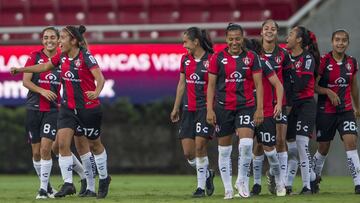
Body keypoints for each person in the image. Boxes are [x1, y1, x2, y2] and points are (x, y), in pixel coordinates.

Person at [11, 25, 110, 199]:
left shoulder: (86, 56)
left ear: (73, 41)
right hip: (67, 108)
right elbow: (43, 67)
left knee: (92, 146)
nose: (59, 41)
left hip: (87, 108)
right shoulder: (60, 56)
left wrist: (96, 92)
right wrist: (21, 69)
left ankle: (102, 179)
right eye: (59, 37)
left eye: (62, 38)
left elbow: (100, 79)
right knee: (61, 145)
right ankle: (68, 183)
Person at [22, 26, 91, 199]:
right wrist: (42, 91)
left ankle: (43, 190)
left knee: (49, 148)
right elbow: (26, 81)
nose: (49, 40)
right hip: (33, 108)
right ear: (42, 40)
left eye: (53, 37)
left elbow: (82, 59)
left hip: (55, 109)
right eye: (46, 37)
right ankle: (76, 177)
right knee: (39, 152)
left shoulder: (64, 57)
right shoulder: (35, 56)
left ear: (59, 39)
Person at [206, 23, 264, 199]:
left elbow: (259, 84)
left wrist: (259, 108)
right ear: (226, 39)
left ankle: (241, 181)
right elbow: (211, 86)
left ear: (242, 38)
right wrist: (209, 109)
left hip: (246, 106)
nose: (234, 42)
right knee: (224, 151)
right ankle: (228, 189)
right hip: (223, 108)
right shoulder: (217, 58)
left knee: (246, 145)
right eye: (231, 39)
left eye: (237, 38)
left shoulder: (252, 57)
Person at [245, 20, 293, 196]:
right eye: (266, 28)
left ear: (277, 32)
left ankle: (281, 180)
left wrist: (284, 101)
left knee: (280, 141)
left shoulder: (283, 54)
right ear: (261, 32)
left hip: (278, 103)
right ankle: (257, 183)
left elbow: (287, 79)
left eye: (273, 28)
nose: (270, 31)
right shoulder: (255, 55)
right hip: (258, 104)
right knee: (259, 143)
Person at [313, 29, 360, 194]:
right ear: (332, 42)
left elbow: (353, 85)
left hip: (346, 110)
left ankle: (358, 184)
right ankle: (314, 178)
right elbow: (313, 86)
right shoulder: (324, 61)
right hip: (325, 111)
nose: (340, 43)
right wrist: (328, 91)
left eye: (344, 40)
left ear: (348, 43)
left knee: (351, 142)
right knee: (324, 147)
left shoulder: (352, 62)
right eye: (337, 40)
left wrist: (357, 107)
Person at [170, 27, 215, 198]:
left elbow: (215, 86)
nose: (183, 46)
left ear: (196, 42)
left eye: (185, 42)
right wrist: (176, 107)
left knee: (199, 146)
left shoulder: (211, 60)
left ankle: (200, 188)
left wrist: (212, 109)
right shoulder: (185, 60)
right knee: (188, 153)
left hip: (205, 109)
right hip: (188, 109)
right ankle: (208, 174)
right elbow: (182, 84)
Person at [238, 38, 286, 197]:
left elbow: (278, 85)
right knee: (245, 149)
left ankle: (279, 181)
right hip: (246, 111)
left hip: (265, 112)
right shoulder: (239, 65)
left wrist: (278, 104)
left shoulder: (263, 63)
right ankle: (243, 185)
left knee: (270, 151)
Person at [285, 25, 320, 194]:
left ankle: (306, 186)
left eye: (291, 34)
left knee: (301, 143)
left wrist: (289, 69)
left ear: (299, 39)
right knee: (290, 148)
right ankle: (312, 177)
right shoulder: (286, 56)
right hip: (291, 106)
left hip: (306, 104)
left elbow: (301, 85)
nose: (288, 36)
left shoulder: (307, 59)